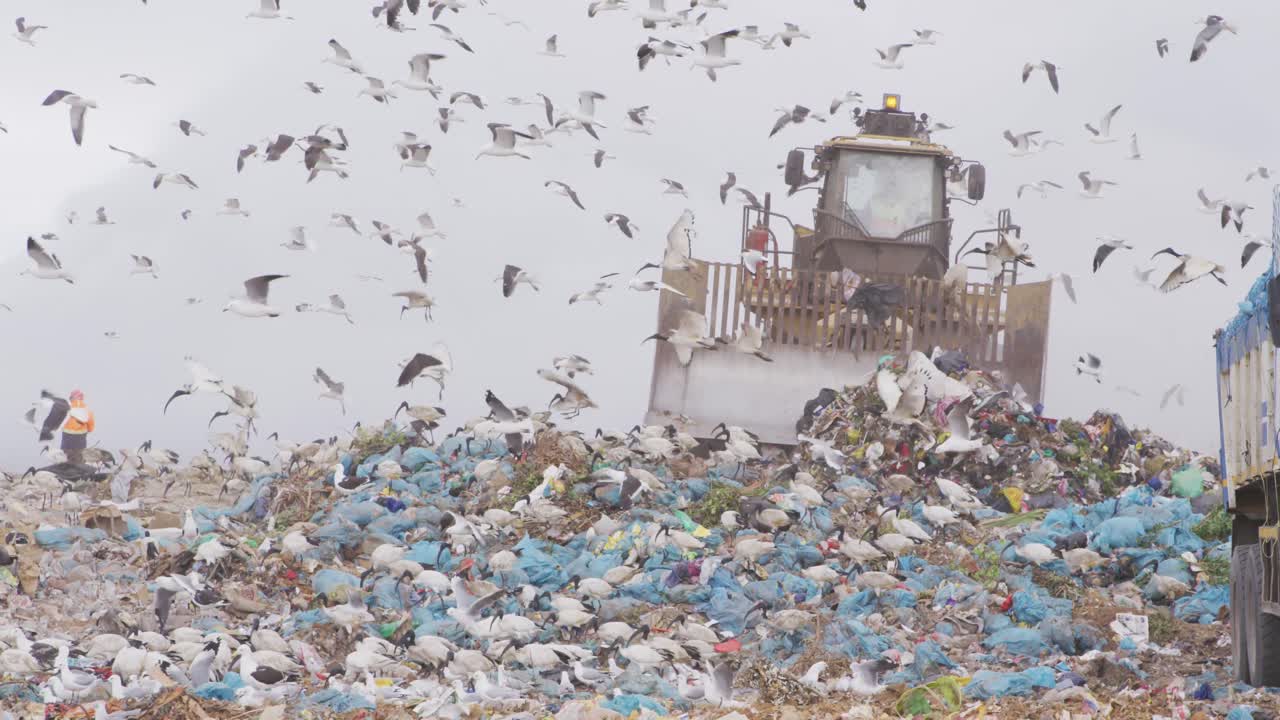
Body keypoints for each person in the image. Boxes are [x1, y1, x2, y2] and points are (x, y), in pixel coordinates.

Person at [61, 389, 95, 464]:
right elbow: (91, 425)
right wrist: (88, 429)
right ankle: (80, 471)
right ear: (82, 398)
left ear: (71, 398)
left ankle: (68, 471)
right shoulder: (86, 409)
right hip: (80, 438)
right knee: (80, 455)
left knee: (68, 455)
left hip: (67, 437)